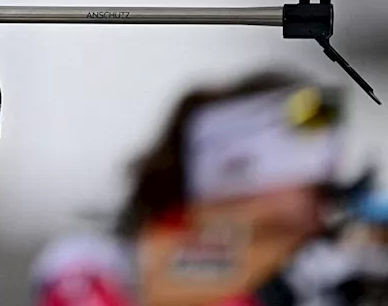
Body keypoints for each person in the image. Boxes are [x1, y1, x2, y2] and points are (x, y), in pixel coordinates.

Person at [30, 70, 375, 306]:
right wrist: (271, 294)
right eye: (313, 192)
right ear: (239, 176)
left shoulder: (335, 268)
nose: (322, 214)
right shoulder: (92, 265)